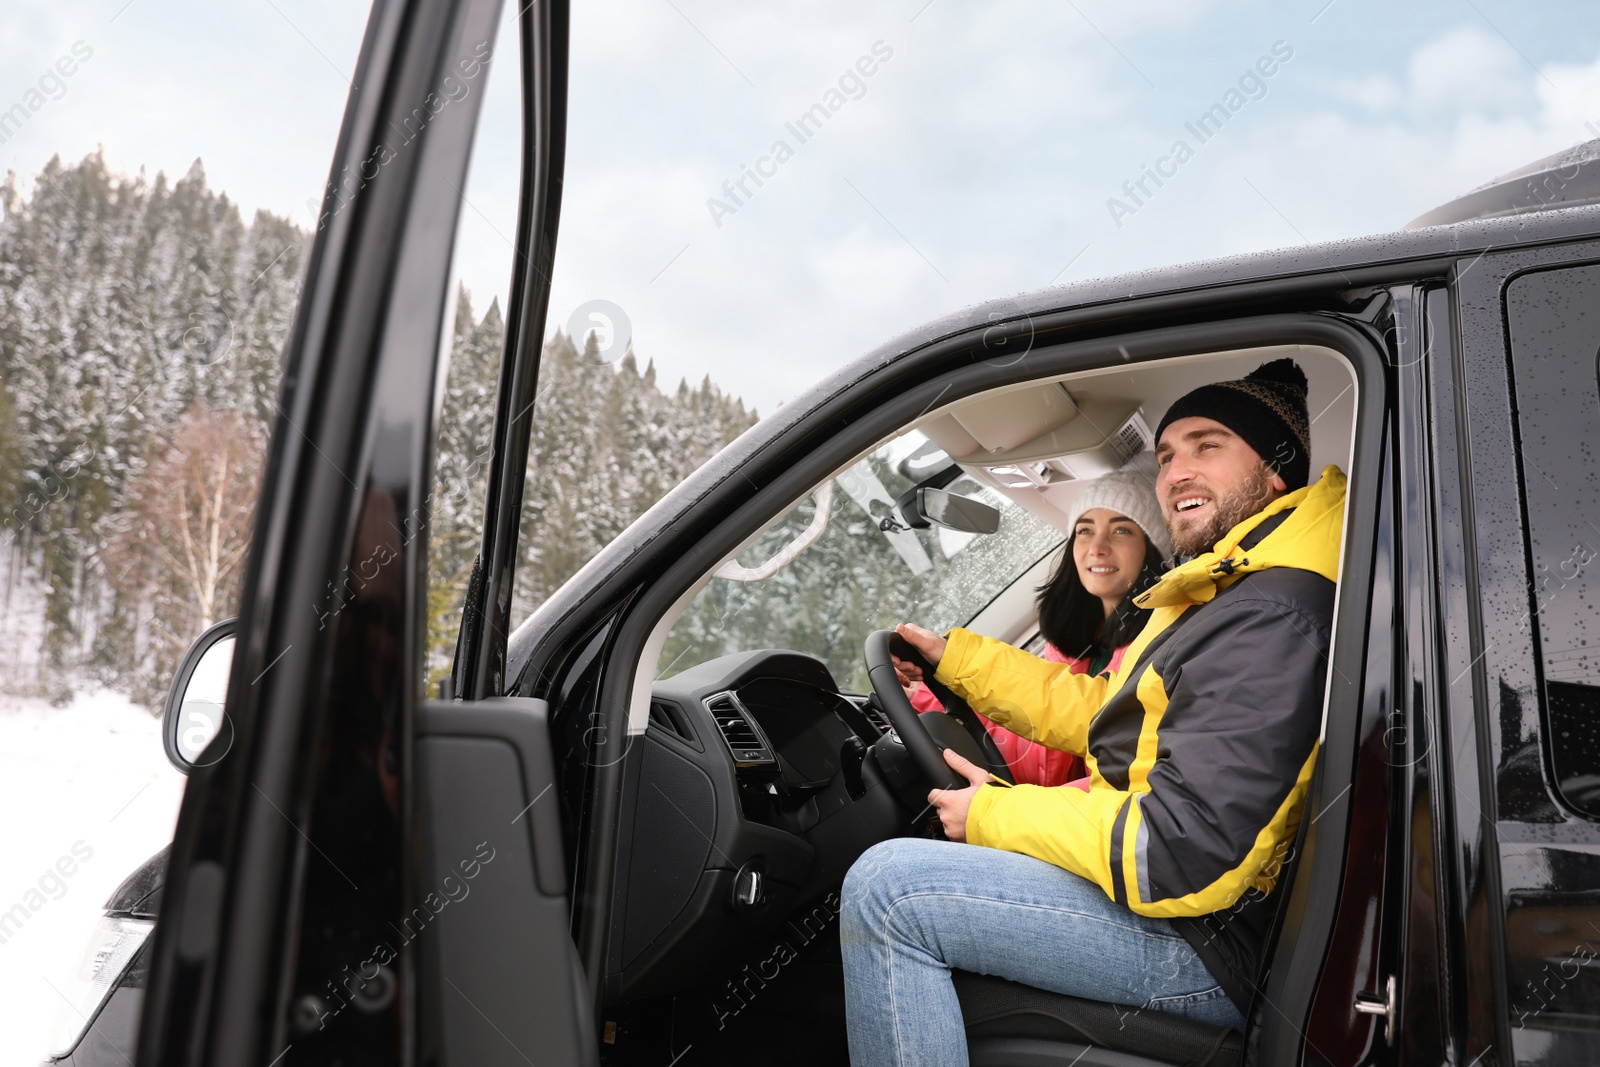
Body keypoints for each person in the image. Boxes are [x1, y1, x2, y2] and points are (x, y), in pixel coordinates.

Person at [840, 358, 1347, 1066]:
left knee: (886, 891)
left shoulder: (1270, 611)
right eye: (1167, 455)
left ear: (1275, 471)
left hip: (1205, 942)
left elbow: (1179, 852)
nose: (1175, 472)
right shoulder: (1230, 591)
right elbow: (1106, 712)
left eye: (1208, 446)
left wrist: (994, 814)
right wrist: (956, 660)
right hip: (1192, 916)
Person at [906, 453, 1171, 788]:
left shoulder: (1158, 648)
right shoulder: (1073, 643)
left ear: (1153, 550)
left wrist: (1009, 808)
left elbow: (1112, 779)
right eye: (1085, 530)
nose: (1097, 548)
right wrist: (926, 692)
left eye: (1121, 531)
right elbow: (1036, 745)